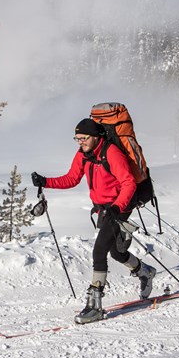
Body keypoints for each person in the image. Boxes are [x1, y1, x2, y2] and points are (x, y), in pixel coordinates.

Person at [32, 118, 156, 324]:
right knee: (116, 252)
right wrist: (46, 181)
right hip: (104, 209)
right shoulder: (83, 155)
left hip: (119, 207)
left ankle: (95, 304)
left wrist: (117, 207)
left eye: (83, 138)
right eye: (77, 138)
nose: (79, 142)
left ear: (95, 136)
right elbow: (71, 179)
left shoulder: (112, 153)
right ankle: (145, 272)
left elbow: (128, 183)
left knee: (99, 250)